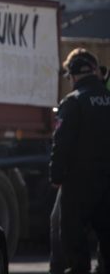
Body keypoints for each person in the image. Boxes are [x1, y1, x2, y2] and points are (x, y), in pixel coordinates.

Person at [49, 48, 110, 274]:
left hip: (79, 184)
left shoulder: (73, 102)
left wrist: (56, 176)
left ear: (73, 77)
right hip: (107, 183)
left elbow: (61, 143)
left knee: (73, 242)